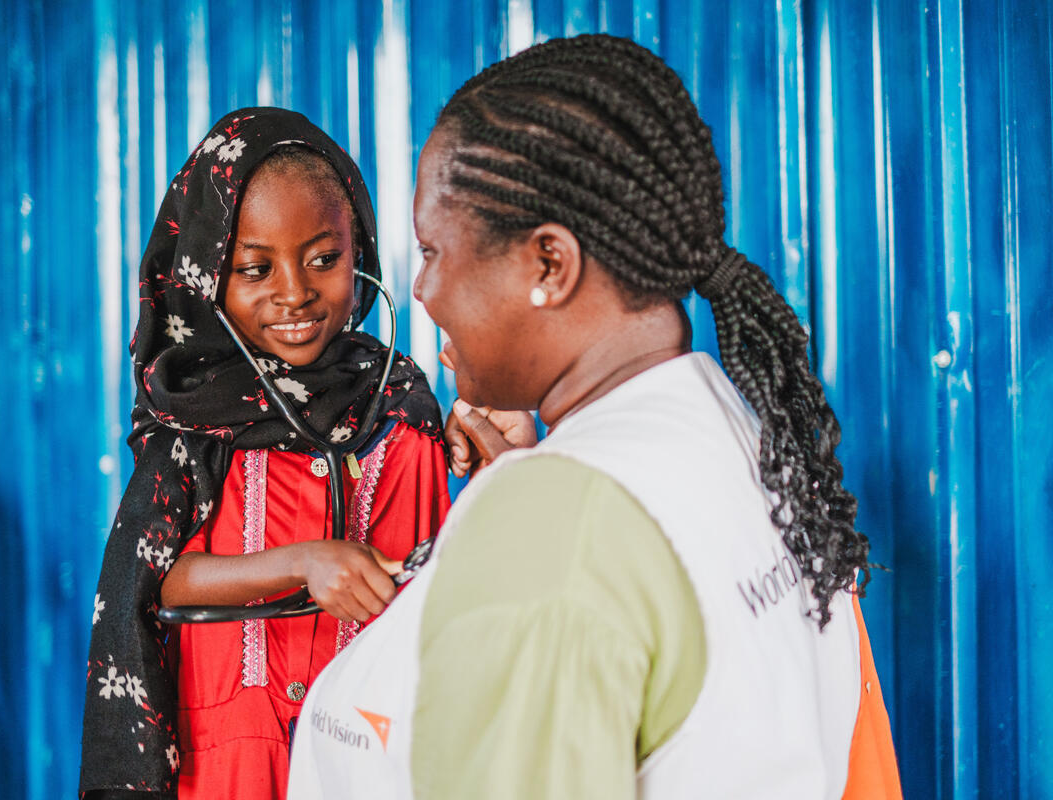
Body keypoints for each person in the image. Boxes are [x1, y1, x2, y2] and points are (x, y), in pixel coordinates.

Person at [287, 35, 903, 799]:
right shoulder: (730, 429)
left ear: (549, 264)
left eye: (434, 250)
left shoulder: (556, 528)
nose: (422, 290)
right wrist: (537, 485)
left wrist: (532, 515)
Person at [79, 108, 449, 800]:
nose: (295, 293)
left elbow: (427, 590)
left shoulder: (397, 408)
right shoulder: (189, 410)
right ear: (205, 277)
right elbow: (154, 579)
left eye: (325, 260)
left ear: (361, 253)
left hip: (364, 757)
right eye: (255, 268)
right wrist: (301, 563)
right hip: (222, 765)